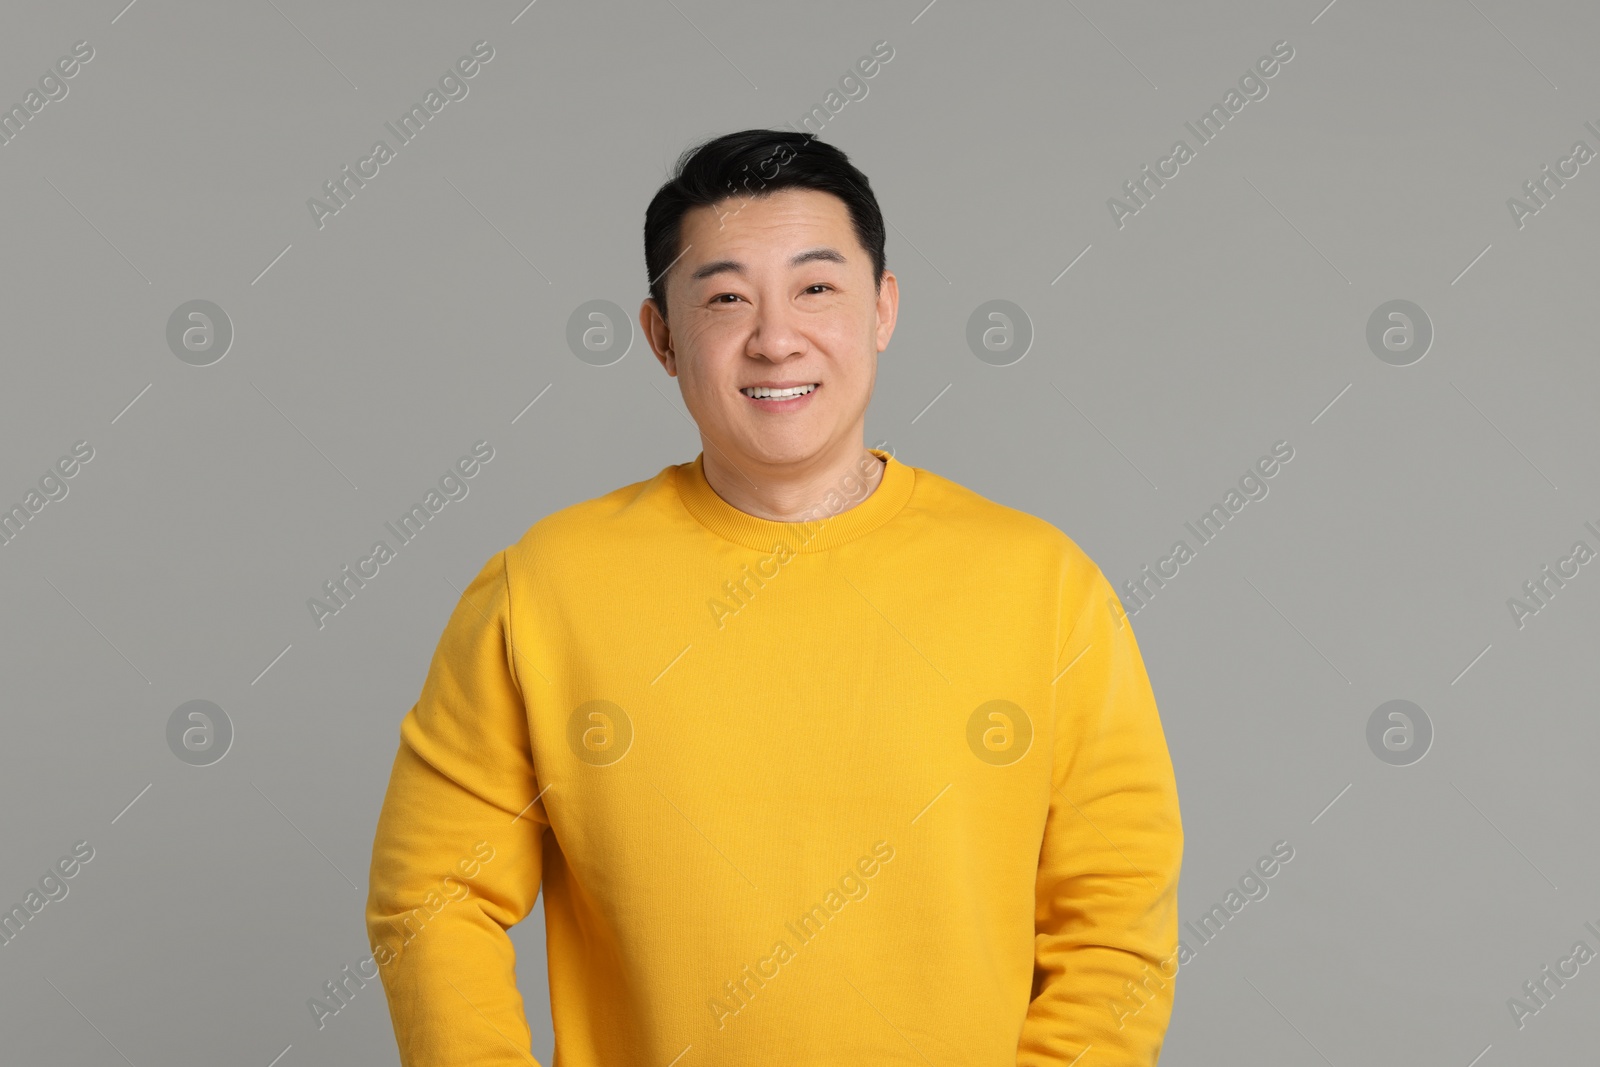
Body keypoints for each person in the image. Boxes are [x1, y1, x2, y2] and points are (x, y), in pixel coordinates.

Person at [365, 128, 1184, 1065]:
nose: (774, 338)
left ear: (883, 309)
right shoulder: (543, 586)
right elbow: (432, 894)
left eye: (816, 287)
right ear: (661, 336)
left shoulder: (1044, 585)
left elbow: (1116, 921)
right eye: (724, 298)